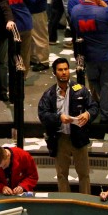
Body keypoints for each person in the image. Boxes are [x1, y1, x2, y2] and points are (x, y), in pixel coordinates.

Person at [38, 57, 98, 193]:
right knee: (61, 175)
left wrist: (88, 114)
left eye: (66, 69)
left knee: (84, 174)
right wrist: (58, 118)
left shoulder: (80, 90)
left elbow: (94, 106)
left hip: (79, 136)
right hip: (60, 138)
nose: (64, 72)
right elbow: (43, 115)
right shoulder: (49, 94)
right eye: (60, 70)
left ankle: (85, 202)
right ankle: (65, 202)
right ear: (55, 73)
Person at [69, 0, 108, 122]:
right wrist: (104, 5)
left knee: (94, 81)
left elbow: (74, 26)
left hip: (88, 54)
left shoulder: (75, 11)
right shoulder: (102, 11)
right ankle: (107, 113)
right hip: (107, 54)